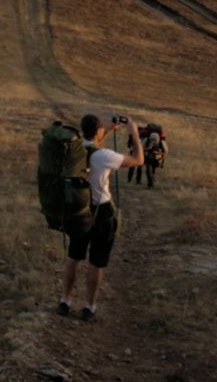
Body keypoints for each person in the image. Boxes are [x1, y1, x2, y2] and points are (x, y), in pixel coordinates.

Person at [57, 113, 144, 321]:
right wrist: (134, 134)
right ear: (97, 131)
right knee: (96, 262)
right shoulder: (105, 156)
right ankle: (89, 306)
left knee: (74, 257)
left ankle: (65, 301)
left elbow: (91, 146)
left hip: (78, 211)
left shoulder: (75, 149)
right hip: (101, 212)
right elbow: (139, 160)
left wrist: (107, 130)